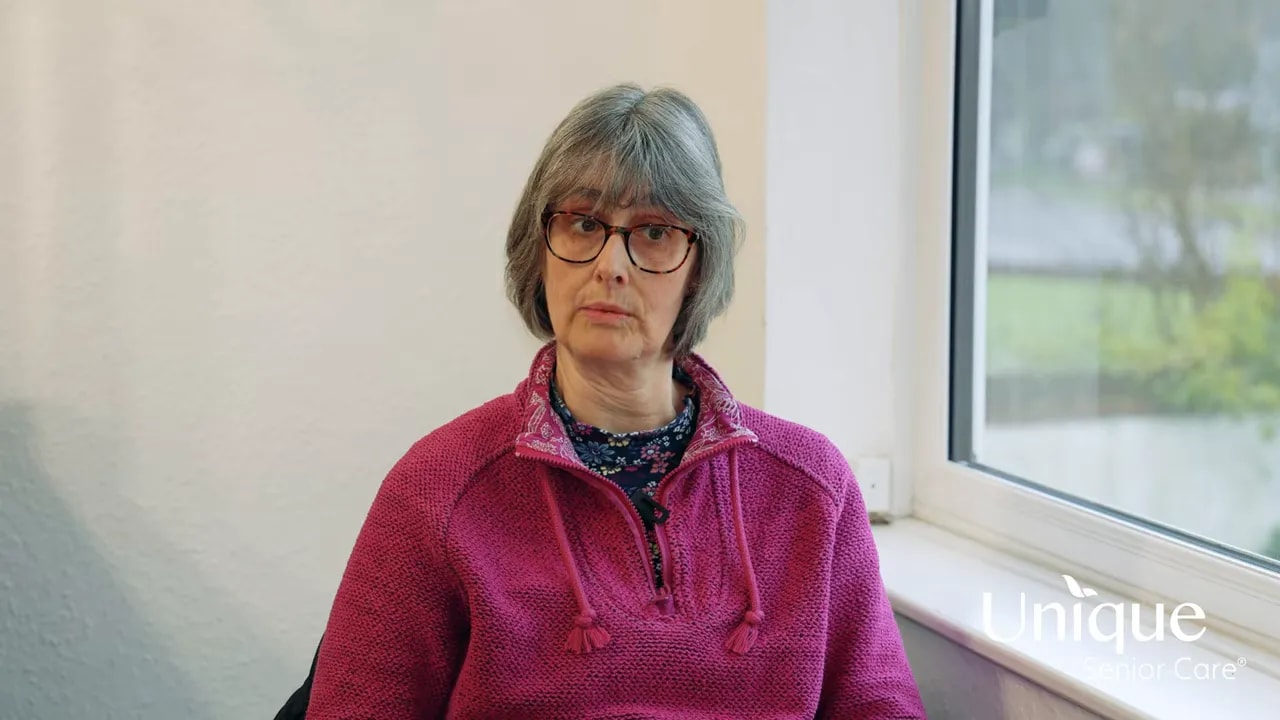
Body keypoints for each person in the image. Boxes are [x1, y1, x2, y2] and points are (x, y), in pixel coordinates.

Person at [304, 82, 927, 719]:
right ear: (537, 251)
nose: (611, 265)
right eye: (581, 223)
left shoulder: (811, 486)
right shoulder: (437, 490)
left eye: (654, 232)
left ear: (698, 270)